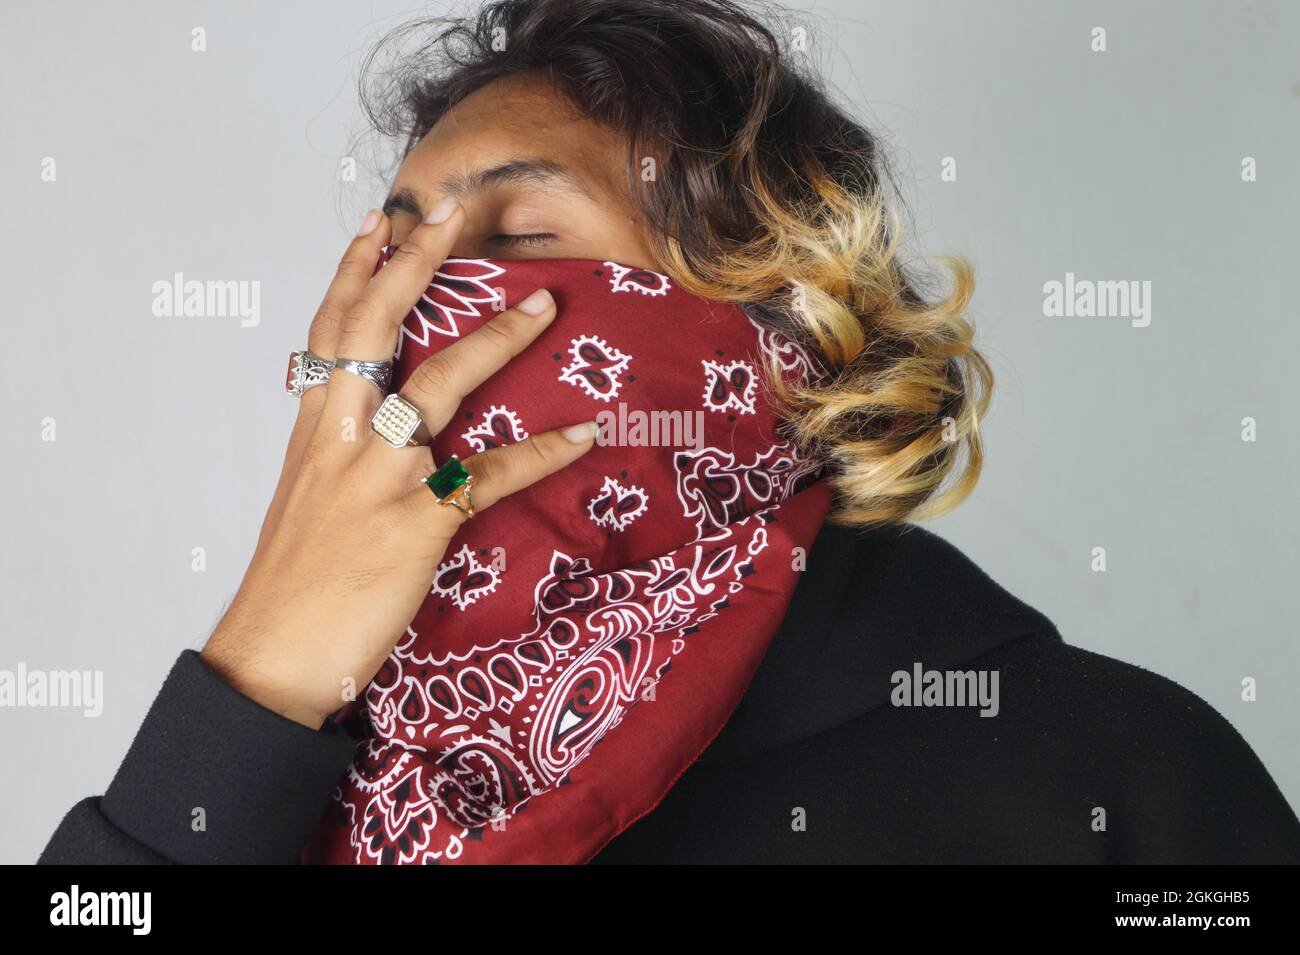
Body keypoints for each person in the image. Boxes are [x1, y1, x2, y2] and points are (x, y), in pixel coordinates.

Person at [40, 0, 1300, 864]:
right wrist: (256, 675)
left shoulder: (1117, 779)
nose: (422, 303)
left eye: (522, 234)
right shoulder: (314, 756)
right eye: (393, 246)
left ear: (771, 321)